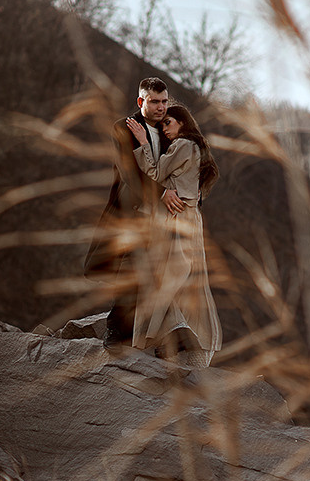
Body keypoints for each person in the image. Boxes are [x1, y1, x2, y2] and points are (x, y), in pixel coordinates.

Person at [84, 77, 184, 349]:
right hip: (130, 210)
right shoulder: (122, 128)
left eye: (165, 101)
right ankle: (117, 333)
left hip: (163, 216)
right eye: (154, 102)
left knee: (162, 271)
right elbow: (130, 172)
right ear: (141, 101)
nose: (161, 107)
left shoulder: (171, 128)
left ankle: (166, 335)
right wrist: (163, 192)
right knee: (131, 268)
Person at [125, 102, 222, 368]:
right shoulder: (194, 149)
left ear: (183, 122)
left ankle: (174, 335)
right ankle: (175, 335)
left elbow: (154, 173)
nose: (165, 128)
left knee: (169, 275)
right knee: (180, 277)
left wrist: (143, 141)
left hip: (178, 220)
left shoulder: (184, 146)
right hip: (188, 219)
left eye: (169, 122)